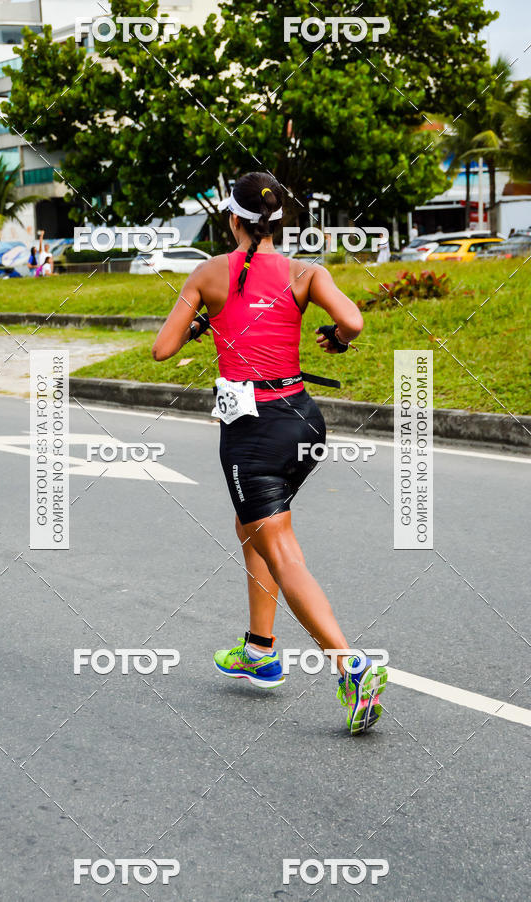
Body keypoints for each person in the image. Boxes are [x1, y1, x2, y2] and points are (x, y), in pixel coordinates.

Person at [151, 172, 387, 734]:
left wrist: (199, 324)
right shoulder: (308, 272)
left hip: (253, 431)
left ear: (232, 220)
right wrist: (339, 338)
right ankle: (260, 649)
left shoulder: (209, 273)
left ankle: (350, 666)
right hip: (304, 421)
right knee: (252, 525)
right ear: (280, 223)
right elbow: (352, 320)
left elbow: (162, 350)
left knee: (276, 543)